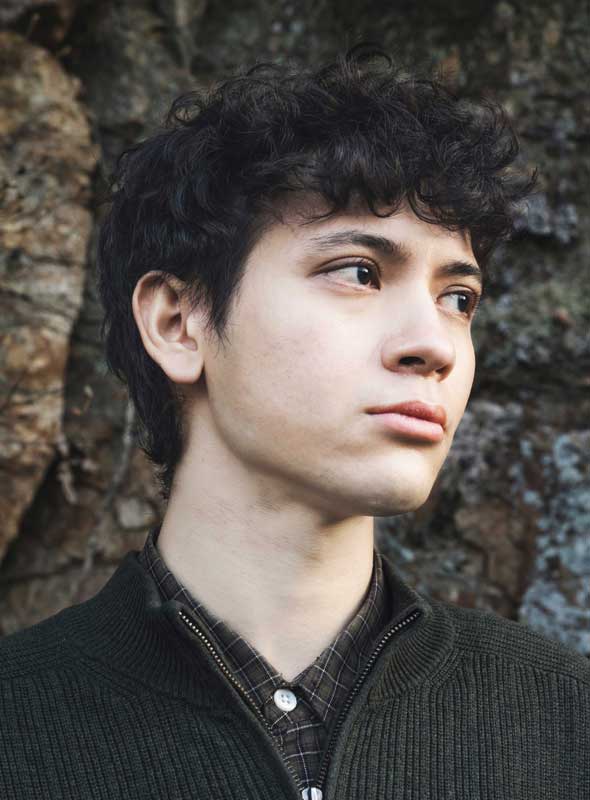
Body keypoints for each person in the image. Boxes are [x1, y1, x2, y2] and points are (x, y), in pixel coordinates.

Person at [1, 43, 588, 800]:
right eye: (360, 272)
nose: (435, 345)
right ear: (178, 323)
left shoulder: (563, 719)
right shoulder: (19, 727)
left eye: (458, 299)